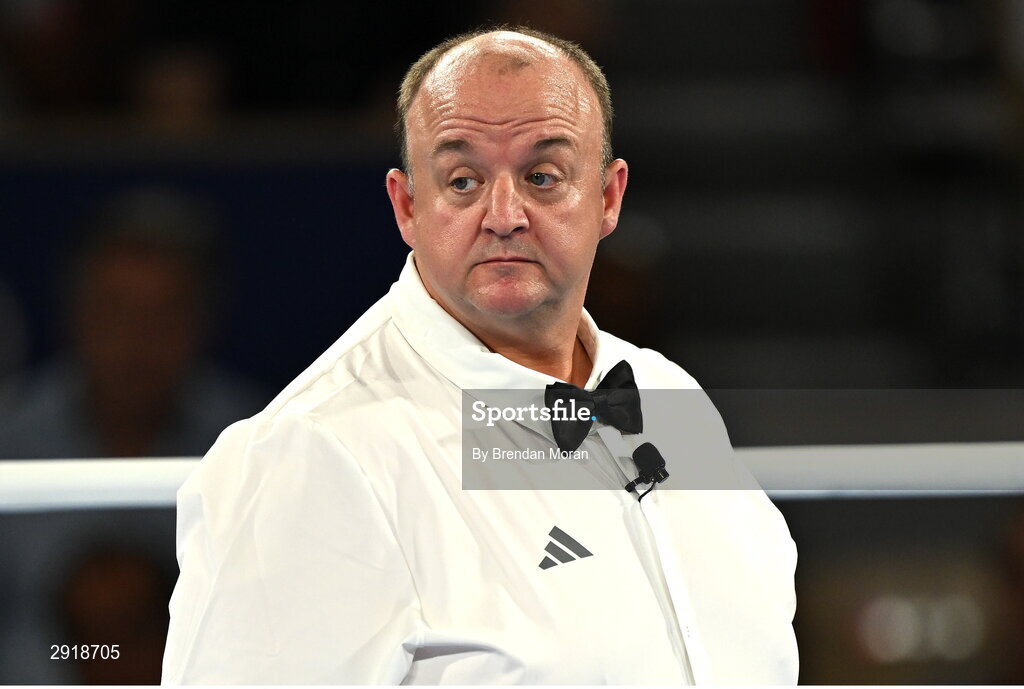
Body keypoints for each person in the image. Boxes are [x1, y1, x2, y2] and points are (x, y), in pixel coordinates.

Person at [162, 27, 798, 684]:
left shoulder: (664, 394)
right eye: (462, 180)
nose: (503, 214)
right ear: (408, 207)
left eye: (542, 175)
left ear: (608, 198)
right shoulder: (310, 454)